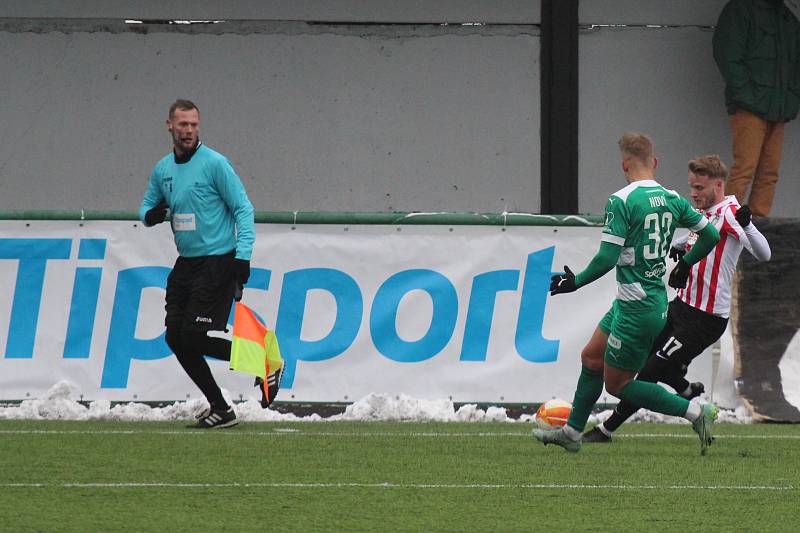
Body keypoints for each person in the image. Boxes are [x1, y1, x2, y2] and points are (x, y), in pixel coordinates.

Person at [533, 133, 721, 455]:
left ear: (624, 165)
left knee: (617, 385)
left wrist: (574, 282)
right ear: (655, 162)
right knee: (591, 357)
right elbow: (710, 235)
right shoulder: (673, 198)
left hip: (637, 308)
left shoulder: (621, 200)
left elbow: (607, 258)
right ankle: (573, 432)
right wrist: (685, 264)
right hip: (639, 301)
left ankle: (695, 412)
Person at [584, 154, 771, 443]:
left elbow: (764, 253)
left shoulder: (731, 213)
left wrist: (748, 226)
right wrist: (679, 246)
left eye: (700, 188)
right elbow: (695, 240)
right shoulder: (705, 215)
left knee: (650, 370)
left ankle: (607, 429)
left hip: (705, 319)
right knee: (652, 359)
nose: (693, 194)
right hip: (681, 306)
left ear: (718, 186)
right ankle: (684, 389)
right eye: (692, 187)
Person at [139, 99, 255, 429]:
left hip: (217, 260)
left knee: (191, 335)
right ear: (170, 126)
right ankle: (221, 409)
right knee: (175, 338)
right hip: (186, 264)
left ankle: (261, 359)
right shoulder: (163, 170)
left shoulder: (215, 163)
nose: (188, 130)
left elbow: (244, 209)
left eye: (193, 125)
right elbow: (146, 206)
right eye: (183, 125)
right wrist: (149, 216)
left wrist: (243, 257)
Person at [712, 0, 800, 218]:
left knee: (769, 173)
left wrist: (791, 98)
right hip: (751, 106)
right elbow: (727, 54)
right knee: (745, 170)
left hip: (778, 107)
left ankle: (758, 228)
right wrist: (747, 95)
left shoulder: (786, 17)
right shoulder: (740, 9)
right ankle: (726, 224)